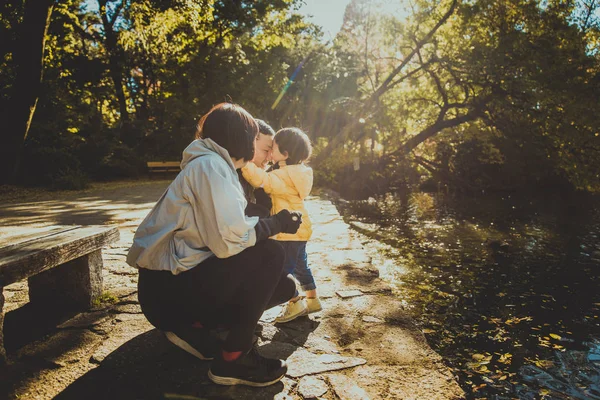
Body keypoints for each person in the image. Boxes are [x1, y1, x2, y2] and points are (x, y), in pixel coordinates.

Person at [126, 103, 302, 387]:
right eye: (253, 136)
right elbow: (229, 241)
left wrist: (267, 221)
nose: (259, 148)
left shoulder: (214, 166)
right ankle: (233, 359)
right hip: (165, 295)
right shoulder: (209, 166)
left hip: (175, 286)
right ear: (240, 137)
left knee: (283, 286)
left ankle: (198, 329)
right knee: (270, 254)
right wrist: (276, 224)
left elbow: (227, 230)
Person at [241, 127, 322, 324]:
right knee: (301, 266)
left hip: (288, 231)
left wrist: (245, 161)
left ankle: (295, 302)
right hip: (300, 229)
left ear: (285, 154)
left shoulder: (283, 176)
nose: (270, 153)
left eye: (274, 149)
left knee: (280, 271)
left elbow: (263, 180)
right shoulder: (298, 173)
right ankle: (312, 299)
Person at [238, 119, 275, 218]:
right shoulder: (231, 175)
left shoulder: (261, 178)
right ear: (250, 142)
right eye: (266, 150)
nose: (270, 158)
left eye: (272, 152)